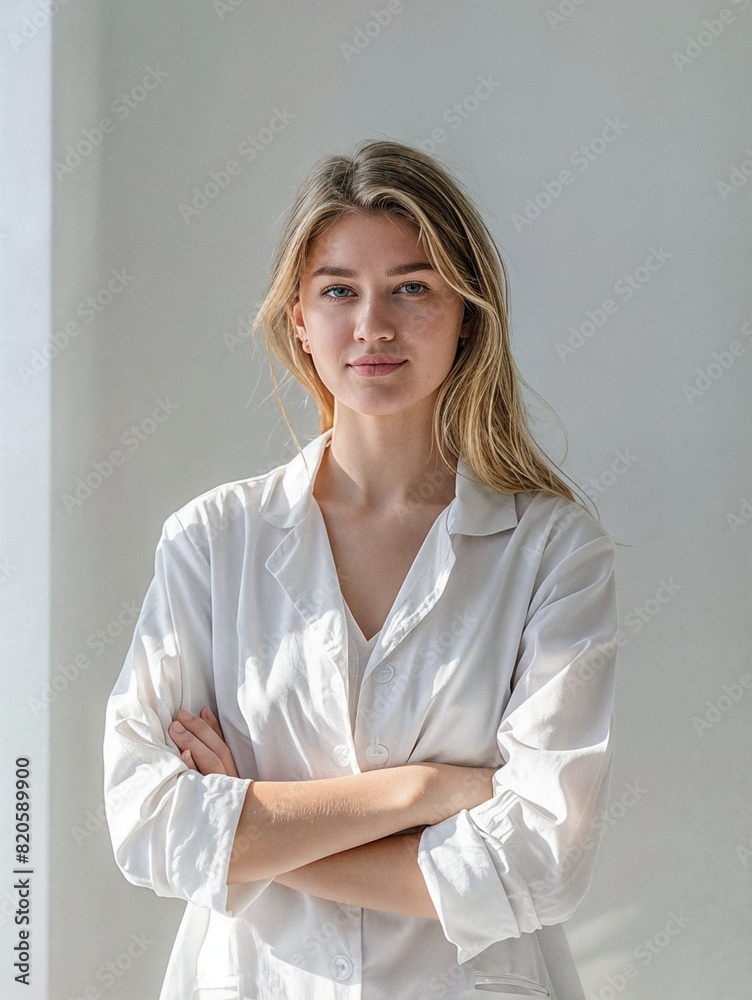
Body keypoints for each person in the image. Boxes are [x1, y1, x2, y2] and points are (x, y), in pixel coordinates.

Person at [103, 138, 618, 1000]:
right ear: (298, 318)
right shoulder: (210, 541)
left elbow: (539, 862)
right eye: (339, 290)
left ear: (467, 314)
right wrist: (422, 791)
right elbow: (149, 826)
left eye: (412, 288)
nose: (372, 326)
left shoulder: (553, 552)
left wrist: (250, 826)